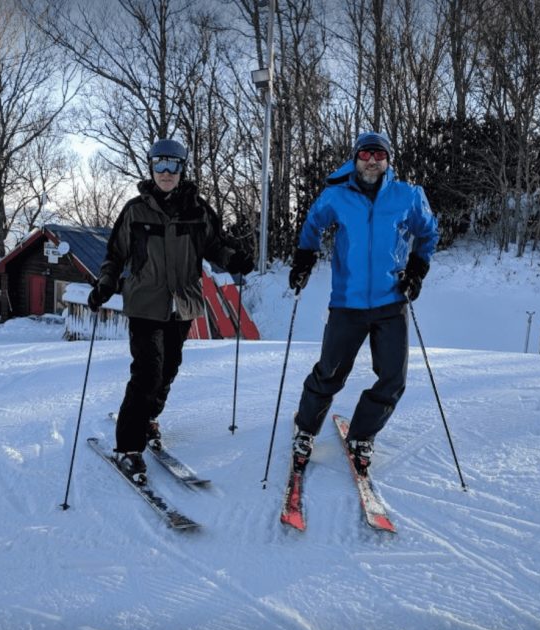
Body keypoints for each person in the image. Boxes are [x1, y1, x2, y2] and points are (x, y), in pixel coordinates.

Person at [87, 138, 254, 484]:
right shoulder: (135, 211)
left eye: (172, 165)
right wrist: (105, 283)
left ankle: (149, 418)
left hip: (183, 304)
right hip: (145, 303)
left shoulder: (199, 211)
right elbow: (115, 255)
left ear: (182, 169)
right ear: (151, 167)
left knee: (169, 368)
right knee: (147, 372)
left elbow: (215, 246)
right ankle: (129, 448)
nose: (166, 172)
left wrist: (234, 259)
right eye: (159, 164)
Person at [287, 131, 438, 476]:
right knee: (330, 372)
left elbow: (428, 232)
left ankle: (362, 435)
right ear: (355, 159)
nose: (372, 160)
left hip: (391, 301)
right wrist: (303, 259)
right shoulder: (336, 196)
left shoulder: (408, 196)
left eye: (379, 154)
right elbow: (312, 224)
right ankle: (305, 429)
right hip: (347, 303)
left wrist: (417, 269)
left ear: (388, 160)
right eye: (365, 154)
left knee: (393, 378)